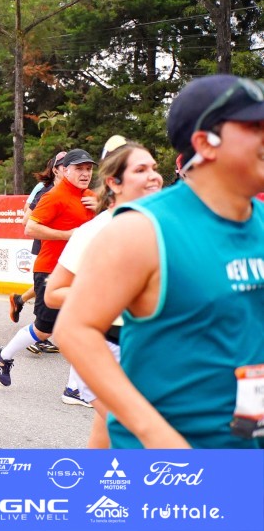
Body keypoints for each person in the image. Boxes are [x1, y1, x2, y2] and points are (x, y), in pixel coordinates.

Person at [55, 74, 264, 449]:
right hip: (173, 466)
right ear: (206, 143)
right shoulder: (141, 229)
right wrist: (156, 435)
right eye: (254, 126)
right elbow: (74, 330)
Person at [44, 137, 163, 447]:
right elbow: (53, 294)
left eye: (154, 168)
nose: (153, 176)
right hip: (107, 349)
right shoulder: (94, 230)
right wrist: (116, 296)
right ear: (114, 182)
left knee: (107, 431)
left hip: (152, 349)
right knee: (133, 430)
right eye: (140, 170)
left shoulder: (165, 225)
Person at [0, 149, 96, 389]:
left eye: (89, 169)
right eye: (79, 169)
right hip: (51, 271)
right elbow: (30, 228)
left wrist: (101, 204)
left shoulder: (90, 197)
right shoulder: (54, 196)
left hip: (80, 271)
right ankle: (4, 356)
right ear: (64, 170)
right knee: (43, 330)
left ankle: (75, 389)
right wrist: (68, 235)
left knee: (84, 328)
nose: (85, 173)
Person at [8, 152, 65, 324]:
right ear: (55, 170)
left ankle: (19, 300)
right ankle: (41, 328)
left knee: (55, 280)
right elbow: (27, 219)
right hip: (47, 243)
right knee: (50, 281)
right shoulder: (45, 190)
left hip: (64, 245)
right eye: (65, 166)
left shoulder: (76, 191)